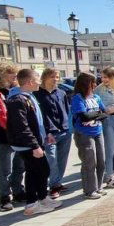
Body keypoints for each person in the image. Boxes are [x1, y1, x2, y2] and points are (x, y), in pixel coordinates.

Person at [7, 69, 60, 216]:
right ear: (30, 82)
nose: (39, 82)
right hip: (27, 145)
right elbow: (21, 126)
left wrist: (46, 134)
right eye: (37, 79)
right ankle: (31, 204)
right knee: (36, 172)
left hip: (36, 142)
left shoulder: (29, 97)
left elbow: (37, 120)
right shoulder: (17, 100)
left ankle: (42, 198)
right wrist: (34, 145)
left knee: (41, 171)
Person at [0, 61, 25, 211]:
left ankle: (18, 191)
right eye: (10, 73)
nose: (14, 76)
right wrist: (16, 130)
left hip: (19, 136)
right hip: (3, 137)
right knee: (4, 169)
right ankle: (4, 196)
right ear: (1, 75)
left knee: (19, 166)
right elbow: (0, 116)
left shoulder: (14, 91)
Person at [72, 73, 112, 199]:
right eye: (92, 82)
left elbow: (105, 114)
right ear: (85, 84)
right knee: (89, 162)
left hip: (97, 132)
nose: (95, 85)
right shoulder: (78, 98)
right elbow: (84, 116)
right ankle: (89, 190)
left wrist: (96, 114)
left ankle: (98, 187)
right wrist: (98, 114)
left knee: (101, 161)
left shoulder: (96, 97)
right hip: (84, 134)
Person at [34, 68, 71, 199]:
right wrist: (46, 131)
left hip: (64, 131)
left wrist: (68, 127)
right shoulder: (37, 94)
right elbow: (38, 116)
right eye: (52, 77)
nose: (55, 79)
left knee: (62, 159)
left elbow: (66, 110)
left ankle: (58, 183)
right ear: (44, 78)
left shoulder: (61, 93)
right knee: (52, 160)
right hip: (49, 134)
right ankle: (54, 185)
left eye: (57, 77)